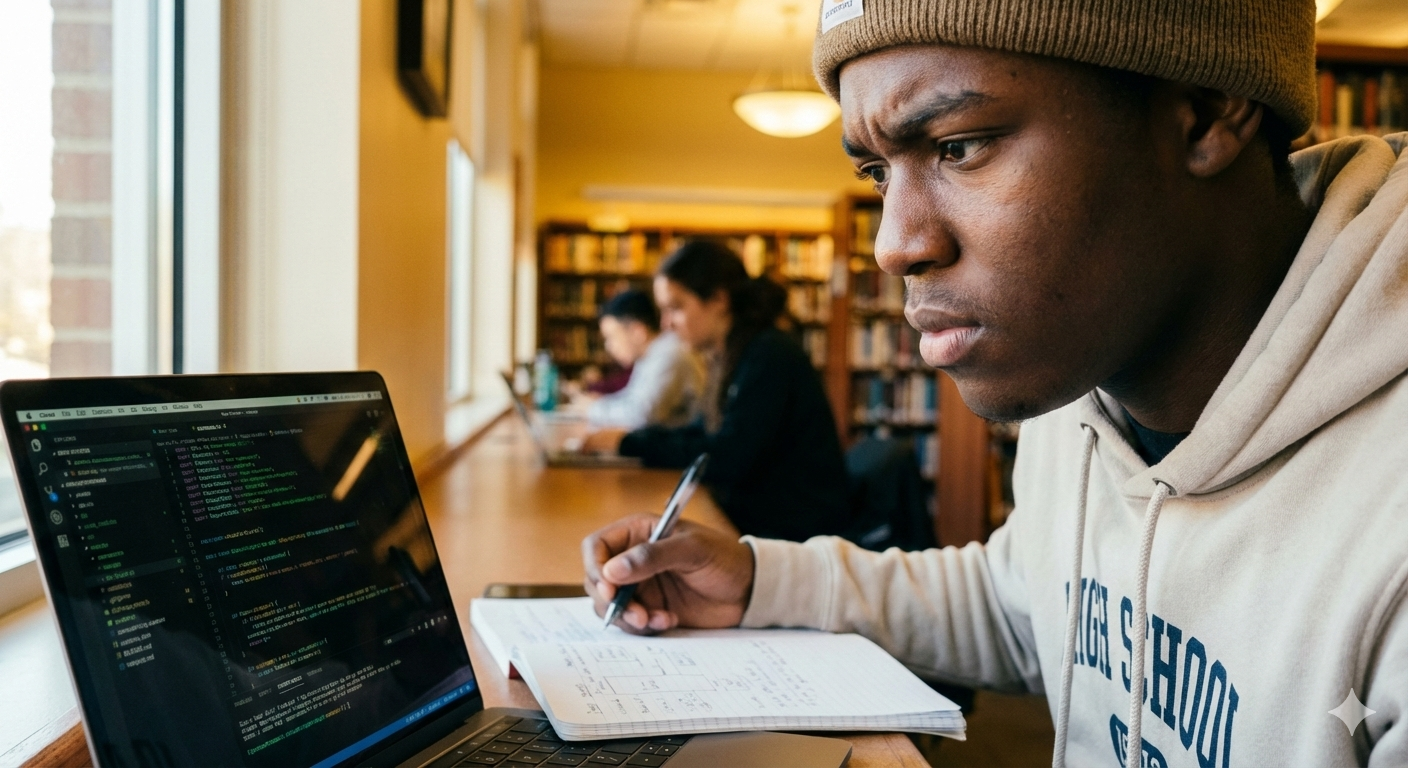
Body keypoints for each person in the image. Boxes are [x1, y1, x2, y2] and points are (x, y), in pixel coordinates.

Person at [580, 2, 1408, 766]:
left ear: (1205, 107)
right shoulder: (1084, 366)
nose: (893, 245)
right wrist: (761, 582)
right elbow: (1025, 605)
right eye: (876, 172)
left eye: (958, 146)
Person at [582, 241, 854, 542]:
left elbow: (729, 458)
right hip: (764, 518)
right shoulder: (731, 354)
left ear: (719, 299)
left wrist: (630, 443)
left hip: (793, 531)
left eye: (676, 307)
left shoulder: (768, 354)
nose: (666, 324)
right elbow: (702, 434)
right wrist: (628, 440)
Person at [581, 289, 704, 430]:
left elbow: (640, 416)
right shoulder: (650, 355)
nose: (609, 347)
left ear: (637, 331)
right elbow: (630, 399)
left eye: (611, 337)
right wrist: (598, 404)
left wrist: (593, 409)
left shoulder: (670, 354)